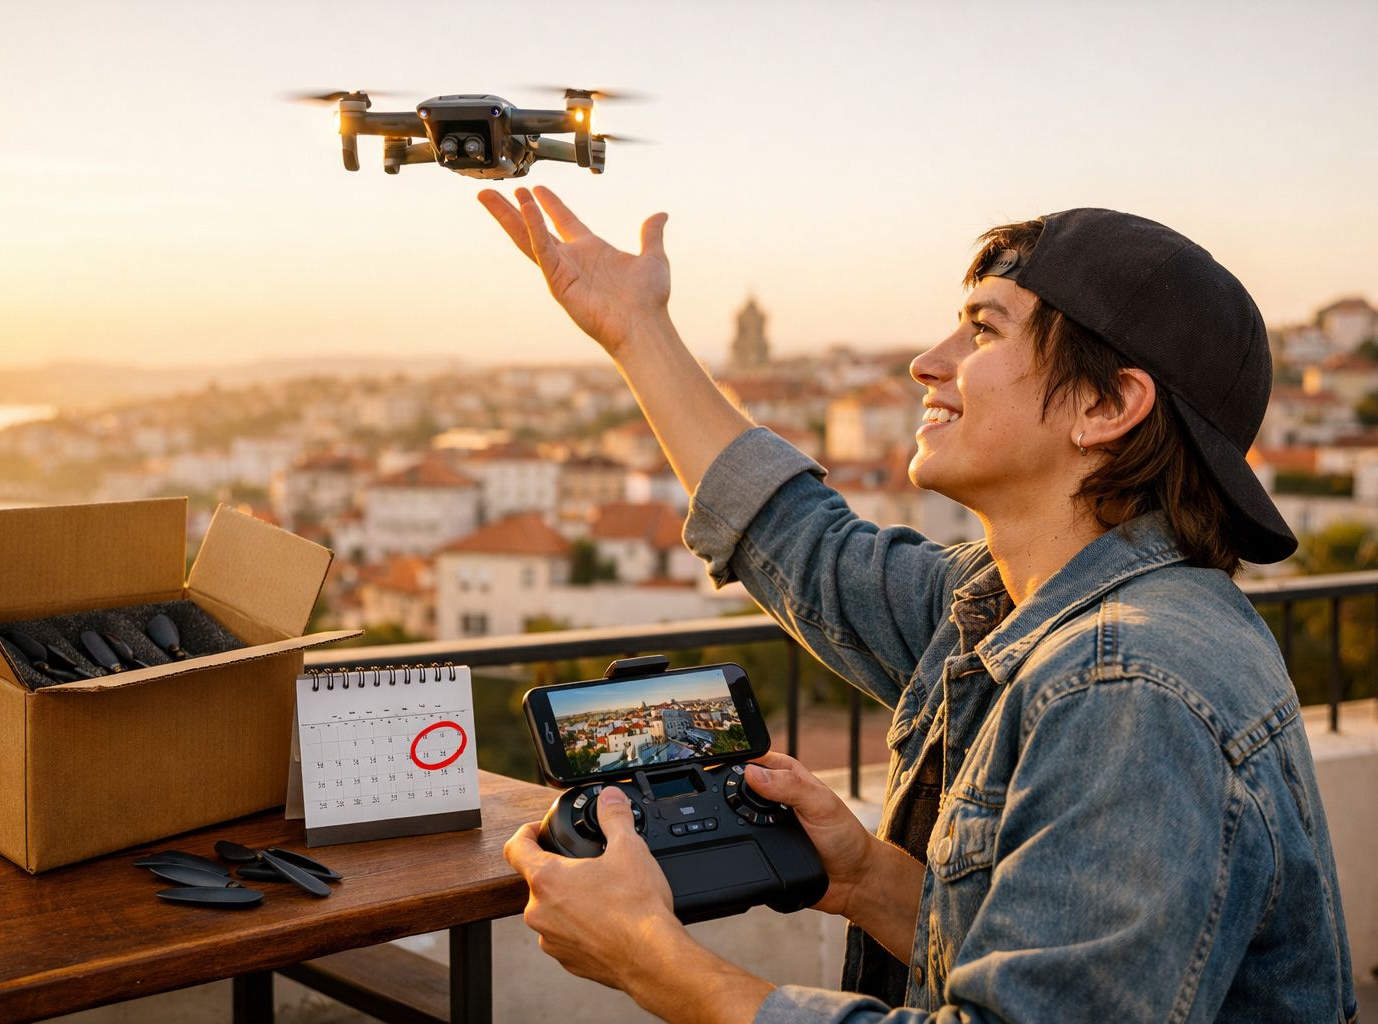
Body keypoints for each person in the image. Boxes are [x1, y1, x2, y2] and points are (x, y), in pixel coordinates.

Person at [480, 186, 1357, 1023]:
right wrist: (866, 878)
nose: (925, 362)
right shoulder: (1014, 604)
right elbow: (802, 544)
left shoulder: (1127, 686)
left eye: (983, 329)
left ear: (1106, 404)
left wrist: (648, 957)